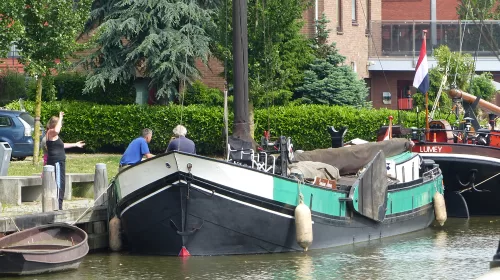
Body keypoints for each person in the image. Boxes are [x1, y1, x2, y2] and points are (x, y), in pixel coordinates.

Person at [46, 112, 86, 210]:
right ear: (55, 124)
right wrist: (60, 117)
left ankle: (58, 205)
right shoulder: (51, 132)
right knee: (60, 184)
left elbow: (62, 145)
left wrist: (75, 144)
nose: (61, 126)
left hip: (59, 161)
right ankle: (59, 207)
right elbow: (57, 130)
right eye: (60, 124)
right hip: (57, 162)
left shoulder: (54, 135)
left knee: (61, 183)